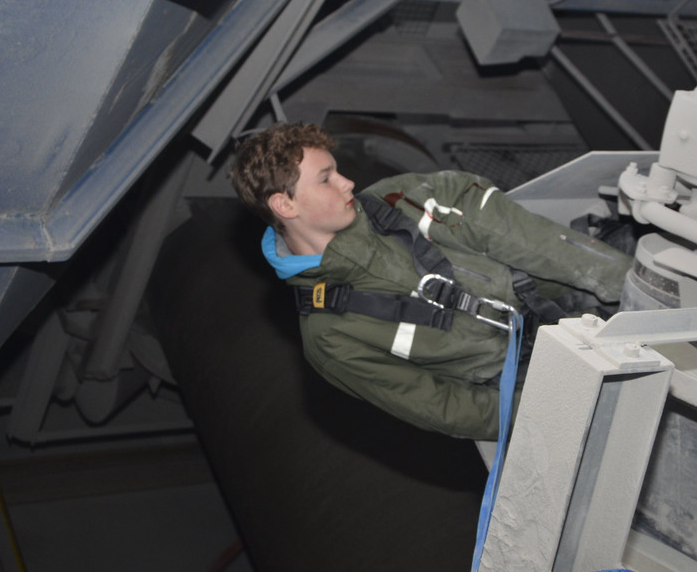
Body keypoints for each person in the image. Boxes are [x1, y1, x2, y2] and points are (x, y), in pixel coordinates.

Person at [230, 122, 632, 440]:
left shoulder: (402, 199)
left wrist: (631, 289)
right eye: (326, 179)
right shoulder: (330, 337)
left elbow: (530, 240)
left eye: (337, 171)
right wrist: (558, 411)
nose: (347, 182)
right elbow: (445, 407)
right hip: (531, 383)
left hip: (575, 302)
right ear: (285, 204)